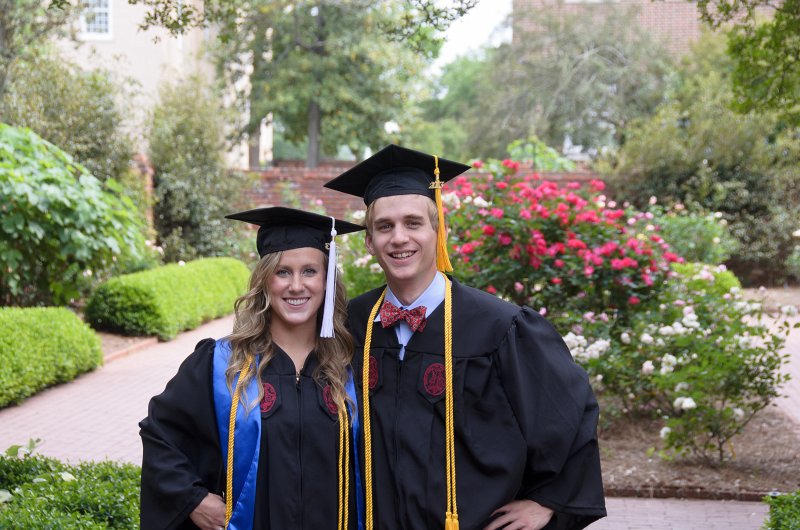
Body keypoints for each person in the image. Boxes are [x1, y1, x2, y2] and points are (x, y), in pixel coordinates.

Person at [324, 145, 607, 530]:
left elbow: (570, 416)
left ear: (437, 230)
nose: (399, 238)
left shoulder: (501, 326)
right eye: (385, 226)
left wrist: (549, 501)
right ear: (370, 241)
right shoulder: (351, 324)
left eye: (413, 223)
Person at [139, 207, 365, 530]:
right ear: (264, 280)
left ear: (327, 281)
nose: (297, 285)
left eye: (310, 271)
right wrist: (194, 500)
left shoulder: (351, 366)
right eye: (283, 272)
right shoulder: (222, 364)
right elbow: (160, 434)